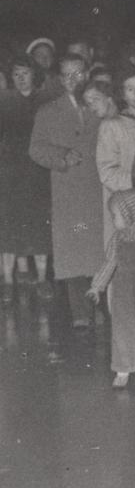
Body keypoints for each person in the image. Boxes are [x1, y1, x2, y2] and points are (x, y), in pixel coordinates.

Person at [29, 53, 104, 331]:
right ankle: (81, 316)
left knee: (102, 250)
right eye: (68, 75)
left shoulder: (101, 105)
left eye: (80, 73)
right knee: (74, 253)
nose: (75, 80)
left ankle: (105, 311)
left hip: (99, 190)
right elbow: (35, 149)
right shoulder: (48, 111)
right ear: (60, 80)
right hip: (69, 192)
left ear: (88, 74)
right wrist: (61, 156)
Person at [87, 190, 135, 387]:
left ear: (130, 214)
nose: (113, 220)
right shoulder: (117, 239)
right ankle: (123, 368)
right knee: (122, 327)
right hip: (123, 289)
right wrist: (97, 286)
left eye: (115, 216)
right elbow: (109, 263)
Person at [0, 55, 53, 303]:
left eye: (26, 73)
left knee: (39, 227)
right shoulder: (4, 102)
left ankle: (43, 279)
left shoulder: (46, 102)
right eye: (16, 74)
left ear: (34, 75)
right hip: (10, 174)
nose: (21, 79)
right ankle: (8, 282)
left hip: (38, 173)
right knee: (9, 227)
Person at [95, 66, 135, 245]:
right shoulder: (112, 126)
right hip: (125, 204)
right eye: (130, 89)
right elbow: (107, 173)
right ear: (122, 94)